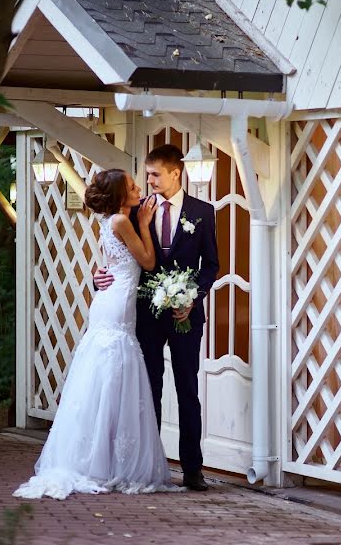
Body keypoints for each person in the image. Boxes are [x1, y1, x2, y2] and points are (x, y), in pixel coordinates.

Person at [14, 169, 183, 499]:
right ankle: (104, 462)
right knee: (113, 372)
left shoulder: (112, 221)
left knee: (105, 376)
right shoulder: (121, 222)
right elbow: (148, 261)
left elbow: (113, 262)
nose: (138, 189)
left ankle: (101, 457)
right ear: (121, 195)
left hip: (110, 300)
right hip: (117, 303)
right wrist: (146, 226)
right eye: (133, 186)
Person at [94, 145, 219, 492]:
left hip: (185, 316)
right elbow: (113, 255)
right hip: (144, 315)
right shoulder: (134, 212)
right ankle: (150, 465)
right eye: (146, 175)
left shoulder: (203, 212)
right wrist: (97, 275)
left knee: (187, 391)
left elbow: (210, 265)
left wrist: (192, 298)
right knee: (148, 390)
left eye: (154, 174)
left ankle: (193, 469)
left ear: (175, 173)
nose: (148, 181)